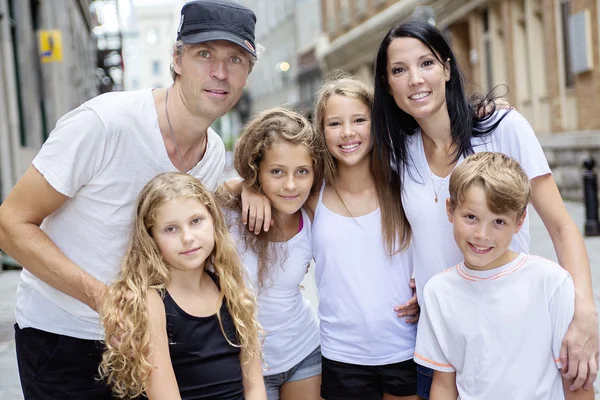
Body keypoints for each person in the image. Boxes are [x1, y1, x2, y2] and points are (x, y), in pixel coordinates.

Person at [0, 1, 258, 397]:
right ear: (176, 59)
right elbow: (10, 224)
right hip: (65, 338)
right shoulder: (105, 123)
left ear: (247, 73)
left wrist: (250, 186)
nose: (220, 72)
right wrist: (103, 300)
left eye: (235, 59)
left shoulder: (210, 155)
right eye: (204, 54)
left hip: (150, 345)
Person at [370, 19, 599, 397]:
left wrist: (585, 312)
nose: (414, 79)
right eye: (399, 70)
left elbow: (561, 227)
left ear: (446, 69)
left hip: (515, 335)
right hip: (444, 338)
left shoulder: (502, 128)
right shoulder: (400, 152)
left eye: (426, 63)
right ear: (387, 85)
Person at [414, 151, 592, 400]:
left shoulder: (550, 282)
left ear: (519, 222)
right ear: (450, 209)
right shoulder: (438, 291)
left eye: (498, 221)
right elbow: (444, 384)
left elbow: (576, 381)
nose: (482, 235)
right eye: (471, 217)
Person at [100, 172, 266, 400]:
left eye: (196, 221)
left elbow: (254, 386)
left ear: (213, 220)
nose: (187, 237)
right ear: (151, 238)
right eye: (171, 229)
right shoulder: (151, 302)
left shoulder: (231, 287)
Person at [308, 75, 418, 400]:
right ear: (321, 130)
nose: (347, 132)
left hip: (405, 348)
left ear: (376, 122)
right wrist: (248, 191)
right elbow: (262, 183)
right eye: (335, 123)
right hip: (342, 355)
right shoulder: (312, 194)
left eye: (359, 120)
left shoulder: (404, 184)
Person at [218, 107, 328, 400]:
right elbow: (193, 200)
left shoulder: (313, 216)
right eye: (277, 171)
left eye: (301, 172)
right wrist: (244, 187)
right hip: (243, 363)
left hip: (304, 352)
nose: (291, 185)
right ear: (257, 170)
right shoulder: (230, 215)